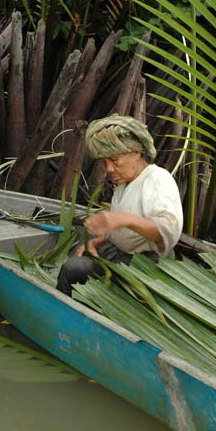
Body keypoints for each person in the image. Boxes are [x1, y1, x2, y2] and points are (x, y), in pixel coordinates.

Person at [56, 114, 183, 296]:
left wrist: (121, 219)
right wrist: (98, 241)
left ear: (136, 153)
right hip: (121, 255)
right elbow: (126, 232)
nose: (108, 169)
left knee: (72, 269)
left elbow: (168, 229)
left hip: (146, 266)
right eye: (104, 162)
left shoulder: (157, 179)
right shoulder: (124, 185)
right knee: (75, 255)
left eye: (114, 160)